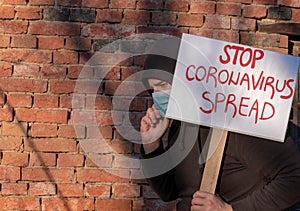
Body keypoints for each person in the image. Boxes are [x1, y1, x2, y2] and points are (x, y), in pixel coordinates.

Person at [140, 37, 300, 211]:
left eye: (162, 85)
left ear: (184, 79)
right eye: (153, 89)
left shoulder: (241, 122)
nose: (157, 95)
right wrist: (152, 146)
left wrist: (229, 210)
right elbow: (169, 192)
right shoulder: (181, 124)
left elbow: (295, 178)